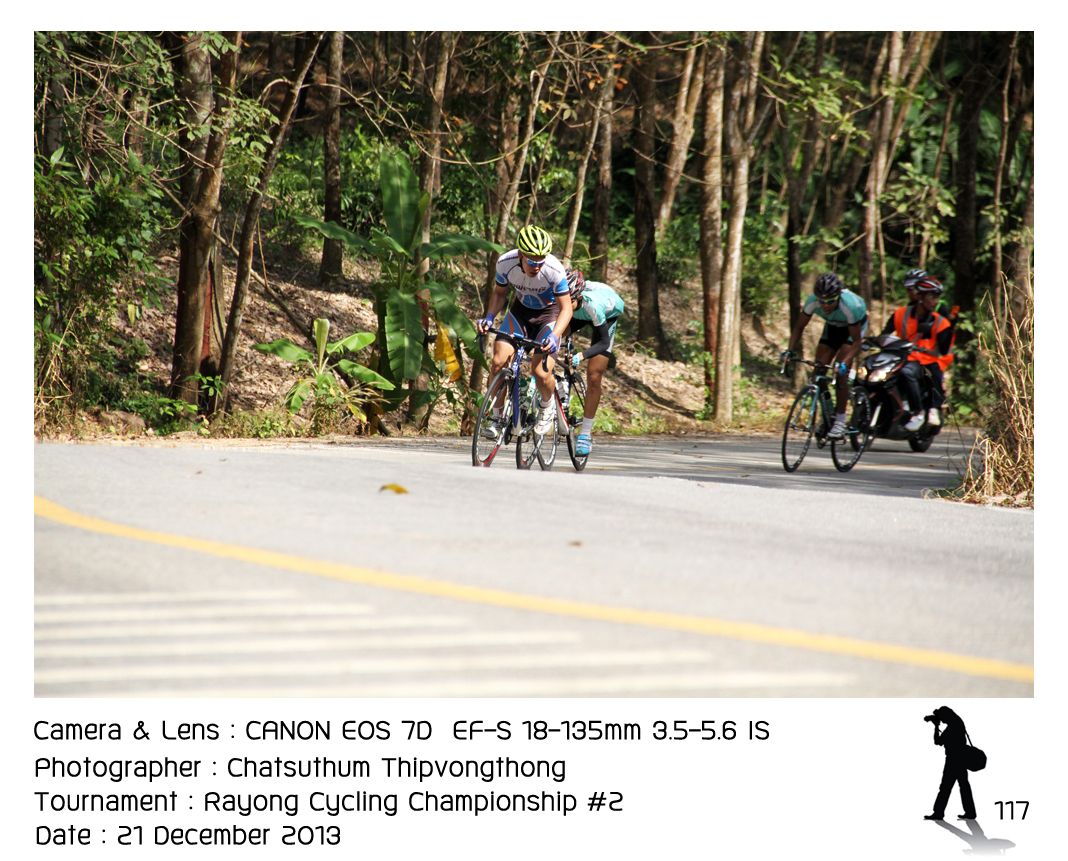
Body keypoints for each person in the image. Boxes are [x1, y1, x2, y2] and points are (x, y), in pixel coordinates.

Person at [474, 224, 573, 438]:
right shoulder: (505, 263)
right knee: (498, 362)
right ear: (520, 254)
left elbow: (566, 308)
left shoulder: (554, 269)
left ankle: (546, 405)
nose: (537, 266)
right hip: (520, 313)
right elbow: (499, 294)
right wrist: (489, 317)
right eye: (532, 261)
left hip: (549, 315)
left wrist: (555, 336)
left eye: (541, 260)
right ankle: (497, 417)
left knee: (540, 372)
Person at [780, 273, 868, 441]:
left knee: (840, 372)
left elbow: (857, 342)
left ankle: (840, 421)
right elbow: (799, 327)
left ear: (838, 297)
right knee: (818, 372)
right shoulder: (812, 302)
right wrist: (789, 351)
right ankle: (827, 413)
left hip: (853, 331)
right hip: (833, 328)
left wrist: (844, 363)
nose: (825, 305)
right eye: (822, 301)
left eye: (830, 301)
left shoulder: (850, 307)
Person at [562, 269, 625, 457]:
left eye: (568, 300)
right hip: (578, 311)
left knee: (594, 374)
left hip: (606, 314)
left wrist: (581, 356)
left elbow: (603, 342)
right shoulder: (565, 300)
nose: (563, 303)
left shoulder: (593, 305)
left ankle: (585, 434)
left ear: (577, 297)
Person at [881, 276, 953, 431]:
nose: (935, 302)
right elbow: (885, 334)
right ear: (921, 296)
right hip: (902, 357)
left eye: (937, 297)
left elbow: (944, 350)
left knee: (912, 372)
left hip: (927, 361)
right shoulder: (900, 313)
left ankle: (920, 412)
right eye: (932, 297)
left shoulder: (941, 321)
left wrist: (951, 329)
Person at [924, 706, 978, 822]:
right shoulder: (957, 722)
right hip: (961, 759)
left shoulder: (952, 727)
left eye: (942, 717)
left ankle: (938, 812)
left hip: (953, 760)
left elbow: (938, 741)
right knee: (964, 786)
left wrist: (936, 726)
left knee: (945, 787)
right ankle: (970, 812)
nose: (942, 720)